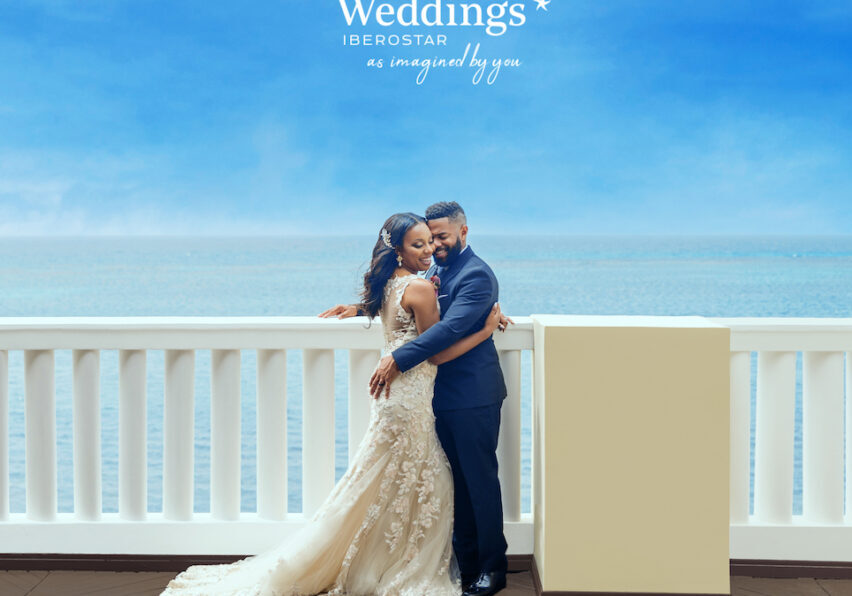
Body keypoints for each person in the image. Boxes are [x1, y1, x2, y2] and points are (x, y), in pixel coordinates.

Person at [161, 212, 501, 595]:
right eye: (420, 243)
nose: (430, 249)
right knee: (422, 476)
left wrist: (364, 312)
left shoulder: (399, 283)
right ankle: (400, 563)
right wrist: (486, 329)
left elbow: (430, 320)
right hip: (411, 396)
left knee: (380, 480)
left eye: (433, 240)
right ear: (399, 250)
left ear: (461, 232)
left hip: (403, 396)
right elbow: (437, 345)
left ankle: (389, 559)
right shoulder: (420, 287)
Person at [325, 202, 511, 596]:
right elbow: (415, 306)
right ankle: (466, 559)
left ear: (464, 232)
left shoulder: (477, 275)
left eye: (442, 237)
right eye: (429, 238)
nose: (435, 246)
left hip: (472, 395)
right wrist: (362, 308)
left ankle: (493, 569)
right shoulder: (438, 270)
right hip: (434, 397)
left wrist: (398, 357)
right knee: (453, 480)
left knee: (479, 482)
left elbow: (448, 331)